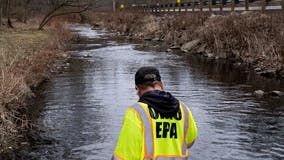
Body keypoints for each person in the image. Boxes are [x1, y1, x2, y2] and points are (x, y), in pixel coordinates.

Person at [112, 66, 198, 160]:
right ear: (161, 85)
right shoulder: (184, 109)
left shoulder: (136, 113)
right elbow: (190, 141)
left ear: (138, 89)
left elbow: (125, 155)